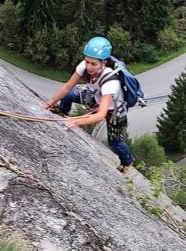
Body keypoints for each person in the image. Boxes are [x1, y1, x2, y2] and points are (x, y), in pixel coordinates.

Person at [43, 36, 136, 173]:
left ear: (103, 62)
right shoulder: (85, 66)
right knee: (69, 95)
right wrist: (48, 104)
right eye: (87, 62)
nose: (89, 67)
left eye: (93, 64)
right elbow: (67, 87)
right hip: (97, 96)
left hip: (114, 109)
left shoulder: (111, 80)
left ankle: (127, 161)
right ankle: (62, 110)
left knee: (115, 142)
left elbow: (101, 115)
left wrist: (77, 121)